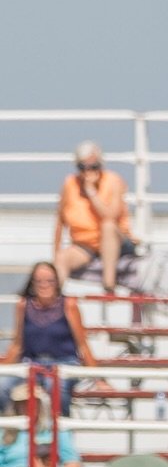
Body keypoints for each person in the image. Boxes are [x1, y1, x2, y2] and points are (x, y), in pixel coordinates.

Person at [0, 261, 108, 415]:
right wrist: (3, 370)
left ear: (57, 283)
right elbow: (17, 345)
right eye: (39, 281)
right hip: (32, 364)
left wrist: (98, 379)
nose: (44, 285)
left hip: (64, 363)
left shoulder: (69, 305)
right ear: (32, 283)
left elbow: (83, 345)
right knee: (2, 387)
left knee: (55, 387)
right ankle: (10, 433)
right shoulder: (23, 306)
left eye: (50, 280)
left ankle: (61, 433)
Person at [53, 141, 137, 291]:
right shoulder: (70, 183)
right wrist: (56, 253)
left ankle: (108, 284)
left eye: (94, 167)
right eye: (82, 167)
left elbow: (110, 215)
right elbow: (60, 221)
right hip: (85, 246)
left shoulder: (113, 181)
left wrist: (91, 192)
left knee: (108, 225)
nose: (88, 172)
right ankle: (53, 303)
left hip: (117, 241)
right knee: (62, 258)